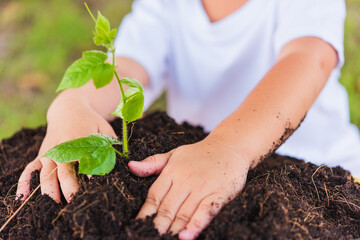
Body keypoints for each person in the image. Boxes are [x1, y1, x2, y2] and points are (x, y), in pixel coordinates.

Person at [16, 0, 360, 239]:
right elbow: (130, 66)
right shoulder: (170, 6)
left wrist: (229, 148)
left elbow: (308, 59)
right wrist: (74, 102)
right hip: (199, 166)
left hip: (317, 170)